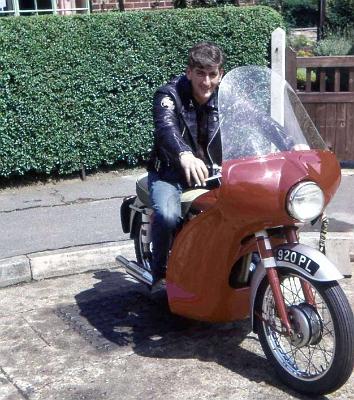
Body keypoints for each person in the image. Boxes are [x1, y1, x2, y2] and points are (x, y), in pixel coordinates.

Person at [147, 41, 225, 292]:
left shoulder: (225, 96)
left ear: (220, 75)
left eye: (213, 74)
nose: (206, 82)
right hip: (170, 174)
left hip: (211, 175)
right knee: (168, 216)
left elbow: (256, 120)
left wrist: (290, 144)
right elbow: (166, 128)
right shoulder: (169, 96)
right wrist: (184, 154)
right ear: (189, 72)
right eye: (200, 73)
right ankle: (159, 275)